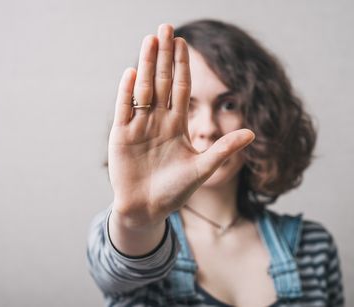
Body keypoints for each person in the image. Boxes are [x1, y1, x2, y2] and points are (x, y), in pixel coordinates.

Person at [87, 20, 345, 307]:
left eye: (228, 104)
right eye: (185, 105)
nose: (208, 128)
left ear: (261, 115)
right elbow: (121, 268)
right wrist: (138, 220)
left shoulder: (314, 247)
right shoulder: (126, 230)